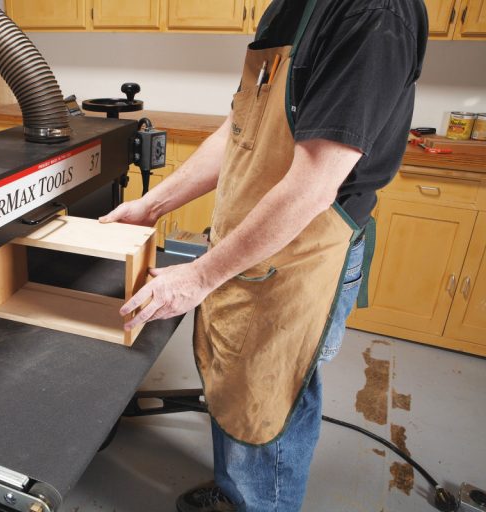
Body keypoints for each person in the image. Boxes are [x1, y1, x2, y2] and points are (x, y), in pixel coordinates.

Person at [99, 0, 428, 510]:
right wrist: (152, 205)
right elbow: (240, 128)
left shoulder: (373, 14)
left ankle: (261, 504)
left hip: (303, 255)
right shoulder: (286, 9)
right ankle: (236, 491)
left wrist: (199, 277)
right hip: (248, 245)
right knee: (235, 380)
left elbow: (313, 185)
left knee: (272, 392)